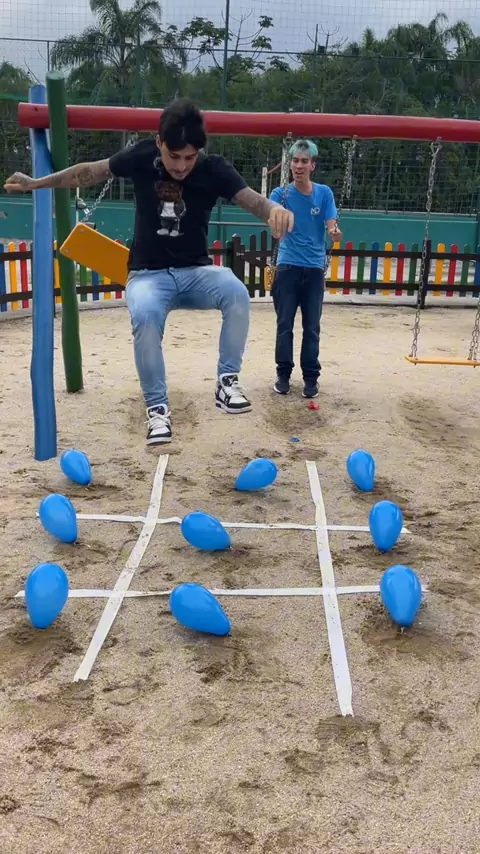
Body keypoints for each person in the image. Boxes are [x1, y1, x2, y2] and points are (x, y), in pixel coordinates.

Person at [4, 97, 294, 445]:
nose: (182, 166)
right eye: (174, 156)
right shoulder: (141, 156)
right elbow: (88, 172)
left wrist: (274, 210)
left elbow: (254, 201)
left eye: (190, 158)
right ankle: (157, 408)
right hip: (147, 276)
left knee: (235, 291)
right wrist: (37, 183)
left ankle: (226, 381)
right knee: (144, 314)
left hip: (195, 272)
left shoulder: (213, 168)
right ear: (159, 143)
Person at [269, 139, 342, 399]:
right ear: (290, 165)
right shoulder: (280, 195)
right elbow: (272, 219)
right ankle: (283, 375)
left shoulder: (324, 193)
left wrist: (334, 233)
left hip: (313, 268)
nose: (298, 166)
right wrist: (276, 223)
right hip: (287, 266)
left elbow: (331, 225)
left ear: (313, 165)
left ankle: (311, 378)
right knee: (284, 325)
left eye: (304, 161)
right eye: (295, 161)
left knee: (312, 327)